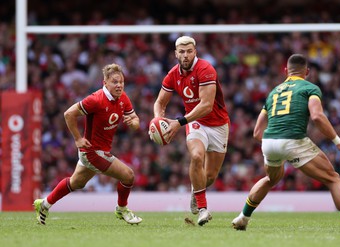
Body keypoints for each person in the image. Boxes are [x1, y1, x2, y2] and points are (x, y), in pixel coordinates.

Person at [231, 54, 340, 233]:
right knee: (333, 178)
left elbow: (256, 133)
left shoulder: (273, 92)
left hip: (269, 141)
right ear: (307, 72)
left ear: (286, 71)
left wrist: (278, 143)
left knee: (271, 179)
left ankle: (243, 217)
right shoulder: (310, 88)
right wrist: (338, 142)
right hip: (292, 139)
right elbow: (317, 116)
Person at [34, 63, 142, 225]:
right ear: (105, 82)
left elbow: (136, 122)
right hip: (92, 152)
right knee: (128, 175)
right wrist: (77, 138)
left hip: (98, 150)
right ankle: (122, 210)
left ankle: (44, 204)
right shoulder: (96, 99)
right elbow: (69, 114)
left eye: (121, 82)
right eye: (114, 82)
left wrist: (132, 123)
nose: (119, 85)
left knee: (76, 182)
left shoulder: (123, 98)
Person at [152, 36, 230, 226]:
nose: (185, 55)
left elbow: (207, 106)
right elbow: (160, 103)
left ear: (195, 52)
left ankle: (197, 192)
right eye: (182, 51)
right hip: (195, 123)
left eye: (189, 51)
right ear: (175, 53)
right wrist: (157, 120)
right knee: (196, 156)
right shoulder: (172, 74)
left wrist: (178, 122)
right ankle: (203, 210)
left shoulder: (206, 69)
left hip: (218, 125)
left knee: (209, 176)